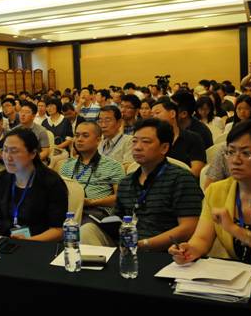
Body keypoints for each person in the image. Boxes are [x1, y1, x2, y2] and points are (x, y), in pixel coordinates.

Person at [170, 120, 251, 265]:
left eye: (246, 153)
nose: (235, 160)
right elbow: (202, 238)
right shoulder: (216, 191)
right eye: (230, 152)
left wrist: (236, 230)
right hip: (237, 274)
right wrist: (190, 250)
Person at [82, 118, 202, 249]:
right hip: (126, 246)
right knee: (87, 230)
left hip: (165, 251)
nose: (137, 147)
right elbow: (117, 219)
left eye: (146, 142)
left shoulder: (181, 179)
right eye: (134, 141)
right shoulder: (126, 182)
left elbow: (189, 227)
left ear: (164, 148)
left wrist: (145, 244)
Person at [0, 129, 67, 241]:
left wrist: (29, 242)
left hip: (40, 245)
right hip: (6, 242)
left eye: (14, 151)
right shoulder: (1, 179)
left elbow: (58, 230)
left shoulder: (51, 182)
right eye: (5, 150)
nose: (8, 157)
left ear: (33, 153)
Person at [59, 122, 125, 219]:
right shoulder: (66, 165)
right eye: (77, 135)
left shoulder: (113, 166)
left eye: (85, 136)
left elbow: (121, 198)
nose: (79, 139)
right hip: (68, 210)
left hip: (96, 213)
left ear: (98, 140)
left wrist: (91, 202)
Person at [151, 98, 206, 178]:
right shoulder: (151, 141)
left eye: (157, 113)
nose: (154, 117)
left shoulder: (193, 138)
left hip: (185, 182)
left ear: (172, 114)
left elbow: (196, 171)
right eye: (152, 115)